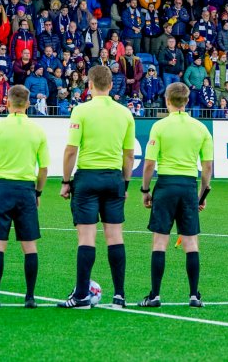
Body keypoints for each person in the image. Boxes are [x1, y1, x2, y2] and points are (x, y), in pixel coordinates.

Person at [58, 65, 136, 309]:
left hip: (88, 179)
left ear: (89, 84)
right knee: (115, 237)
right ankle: (119, 296)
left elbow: (71, 150)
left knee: (86, 238)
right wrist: (124, 183)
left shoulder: (81, 111)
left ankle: (81, 296)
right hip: (113, 178)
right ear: (111, 85)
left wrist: (65, 181)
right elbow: (130, 155)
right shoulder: (125, 113)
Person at [139, 83, 213, 308]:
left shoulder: (159, 127)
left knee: (160, 241)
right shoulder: (200, 128)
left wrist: (145, 190)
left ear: (167, 100)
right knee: (191, 242)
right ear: (187, 101)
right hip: (189, 186)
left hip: (166, 185)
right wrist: (202, 194)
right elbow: (207, 167)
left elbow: (149, 163)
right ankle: (193, 295)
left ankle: (155, 295)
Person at [0, 85, 49, 309]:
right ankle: (30, 298)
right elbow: (44, 168)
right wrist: (37, 192)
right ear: (28, 104)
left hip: (3, 189)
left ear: (7, 102)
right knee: (30, 246)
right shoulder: (38, 131)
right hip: (26, 190)